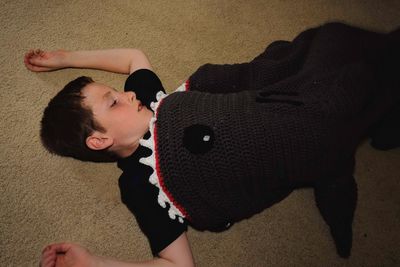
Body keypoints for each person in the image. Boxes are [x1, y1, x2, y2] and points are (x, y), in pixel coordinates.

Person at [25, 22, 399, 267]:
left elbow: (132, 57)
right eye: (112, 102)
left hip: (276, 94)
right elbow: (177, 265)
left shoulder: (149, 100)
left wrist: (65, 59)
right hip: (294, 140)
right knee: (341, 108)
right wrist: (94, 263)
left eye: (116, 92)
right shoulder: (141, 184)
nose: (126, 95)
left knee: (330, 45)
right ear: (100, 140)